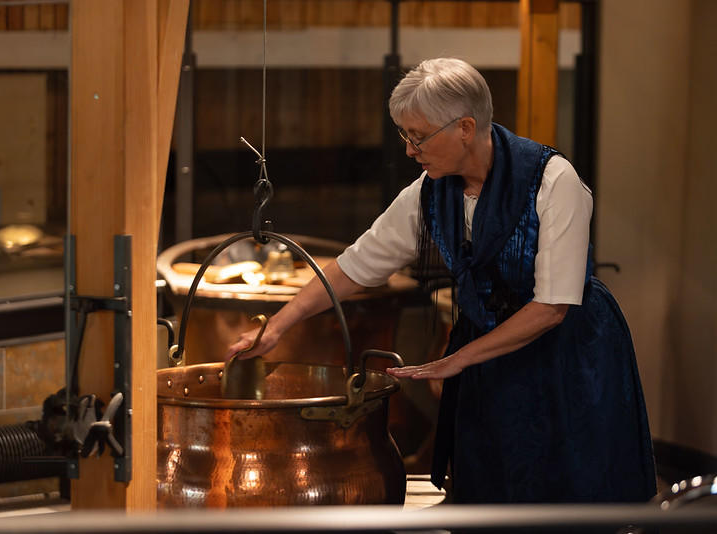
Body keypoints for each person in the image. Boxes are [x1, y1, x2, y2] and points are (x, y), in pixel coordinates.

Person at [226, 57, 657, 505]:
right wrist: (279, 323)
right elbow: (357, 265)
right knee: (491, 485)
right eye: (404, 136)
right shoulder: (428, 191)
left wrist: (459, 359)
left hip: (567, 353)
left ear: (466, 128)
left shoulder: (552, 181)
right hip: (486, 355)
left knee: (567, 488)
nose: (410, 150)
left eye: (419, 136)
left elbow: (551, 308)